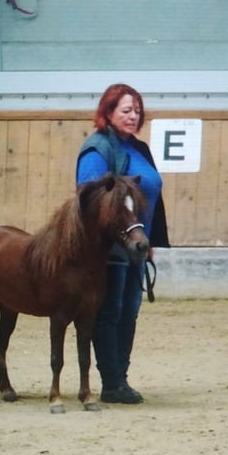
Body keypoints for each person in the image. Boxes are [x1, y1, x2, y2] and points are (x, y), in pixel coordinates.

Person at [75, 83, 170, 404]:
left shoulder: (139, 149)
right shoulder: (97, 149)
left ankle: (120, 378)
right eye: (126, 110)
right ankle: (112, 382)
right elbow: (88, 199)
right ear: (109, 112)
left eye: (137, 110)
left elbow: (148, 197)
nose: (133, 116)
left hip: (135, 244)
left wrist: (149, 239)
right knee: (110, 311)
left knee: (129, 311)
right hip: (110, 249)